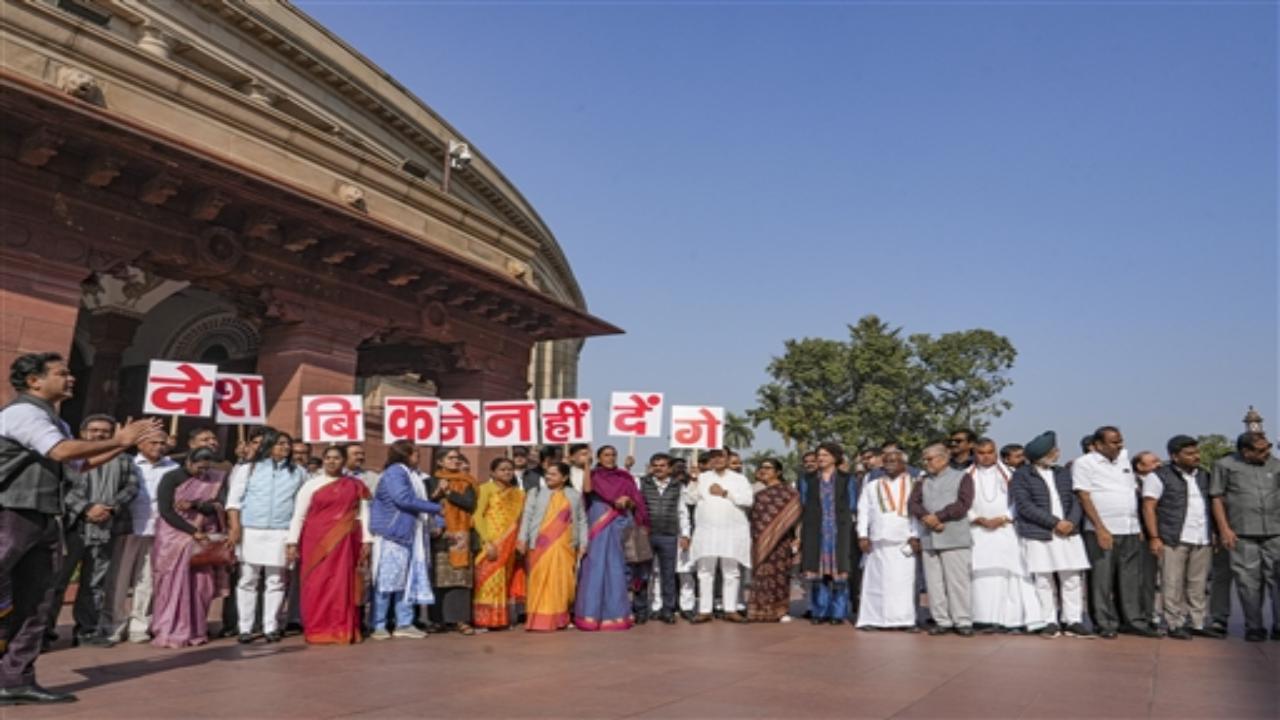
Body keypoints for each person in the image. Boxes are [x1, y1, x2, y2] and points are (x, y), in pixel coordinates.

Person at [0, 353, 160, 706]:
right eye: (61, 373)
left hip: (42, 516)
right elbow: (60, 453)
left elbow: (79, 462)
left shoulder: (55, 421)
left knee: (38, 600)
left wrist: (122, 442)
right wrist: (120, 439)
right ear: (34, 381)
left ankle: (15, 678)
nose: (70, 378)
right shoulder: (23, 413)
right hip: (10, 511)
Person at [51, 414, 139, 648]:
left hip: (105, 528)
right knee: (57, 583)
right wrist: (86, 508)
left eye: (105, 432)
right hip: (73, 528)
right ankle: (44, 633)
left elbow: (131, 486)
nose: (99, 434)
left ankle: (87, 632)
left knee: (94, 583)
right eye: (94, 430)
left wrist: (111, 508)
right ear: (83, 432)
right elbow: (61, 487)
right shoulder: (69, 458)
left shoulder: (123, 459)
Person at [1073, 426, 1157, 638]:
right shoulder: (1085, 463)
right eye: (1114, 442)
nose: (1120, 445)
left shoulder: (1124, 461)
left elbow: (1131, 493)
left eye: (1120, 441)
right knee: (1101, 579)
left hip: (1129, 529)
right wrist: (1100, 528)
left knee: (1130, 579)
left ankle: (1132, 621)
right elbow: (1084, 496)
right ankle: (1104, 622)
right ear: (1098, 445)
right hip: (1102, 530)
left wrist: (1136, 525)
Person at [226, 429, 308, 644]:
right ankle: (245, 627)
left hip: (281, 532)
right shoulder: (249, 469)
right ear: (269, 445)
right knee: (248, 579)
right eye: (280, 443)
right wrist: (235, 527)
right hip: (251, 530)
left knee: (276, 580)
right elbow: (234, 501)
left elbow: (303, 505)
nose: (285, 447)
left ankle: (271, 625)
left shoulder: (298, 472)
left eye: (287, 444)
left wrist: (293, 538)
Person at [286, 445, 372, 644]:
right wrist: (292, 542)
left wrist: (367, 539)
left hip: (345, 542)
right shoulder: (311, 485)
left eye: (336, 458)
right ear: (323, 460)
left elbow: (364, 513)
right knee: (316, 583)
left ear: (344, 461)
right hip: (315, 541)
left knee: (342, 583)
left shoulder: (355, 485)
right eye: (328, 458)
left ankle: (342, 629)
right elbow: (298, 515)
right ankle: (317, 629)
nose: (332, 462)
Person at [1010, 432, 1090, 638]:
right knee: (1044, 579)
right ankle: (1049, 620)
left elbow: (1075, 500)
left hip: (1068, 533)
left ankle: (1072, 620)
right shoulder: (1021, 475)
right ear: (1043, 454)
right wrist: (1055, 523)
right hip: (1040, 533)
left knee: (1071, 578)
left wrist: (1070, 522)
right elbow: (1024, 506)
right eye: (1054, 451)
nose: (1058, 453)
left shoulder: (1063, 472)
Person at [149, 448, 230, 648]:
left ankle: (196, 629)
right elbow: (166, 511)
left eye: (206, 468)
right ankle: (169, 629)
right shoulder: (171, 477)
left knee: (201, 585)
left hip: (203, 538)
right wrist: (192, 531)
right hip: (173, 538)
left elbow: (219, 505)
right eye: (198, 467)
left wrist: (195, 505)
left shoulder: (215, 479)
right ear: (188, 461)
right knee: (171, 583)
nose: (201, 473)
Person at [1141, 435, 1218, 640]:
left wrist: (1215, 533)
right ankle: (1175, 623)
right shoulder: (1158, 476)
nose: (1196, 457)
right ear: (1175, 456)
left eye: (1196, 452)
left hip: (1201, 537)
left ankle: (1197, 622)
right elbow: (1149, 506)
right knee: (1172, 582)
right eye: (1190, 453)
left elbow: (1211, 505)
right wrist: (1154, 537)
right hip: (1173, 536)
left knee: (1198, 583)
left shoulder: (1204, 475)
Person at [1210, 431, 1280, 642]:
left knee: (1277, 579)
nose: (1266, 453)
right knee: (1248, 581)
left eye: (1267, 447)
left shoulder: (1275, 465)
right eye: (1260, 450)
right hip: (1242, 532)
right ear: (1245, 451)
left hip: (1275, 531)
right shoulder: (1225, 465)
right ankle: (1254, 626)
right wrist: (1224, 529)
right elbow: (1217, 497)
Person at [108, 433, 177, 644]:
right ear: (140, 444)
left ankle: (140, 625)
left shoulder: (173, 467)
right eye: (153, 442)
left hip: (158, 529)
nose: (158, 447)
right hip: (128, 527)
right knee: (118, 579)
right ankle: (114, 623)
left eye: (162, 443)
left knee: (147, 580)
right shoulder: (127, 463)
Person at [966, 438, 1039, 633]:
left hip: (1005, 529)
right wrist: (977, 518)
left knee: (1010, 573)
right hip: (977, 530)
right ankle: (981, 618)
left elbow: (1020, 501)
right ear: (974, 454)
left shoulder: (1011, 474)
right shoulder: (965, 476)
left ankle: (1011, 619)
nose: (986, 456)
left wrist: (1005, 517)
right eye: (981, 453)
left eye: (990, 452)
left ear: (996, 452)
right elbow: (962, 502)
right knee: (981, 575)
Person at [368, 441, 438, 640]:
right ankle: (379, 624)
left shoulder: (412, 474)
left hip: (408, 534)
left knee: (407, 579)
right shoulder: (395, 473)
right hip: (392, 533)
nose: (419, 457)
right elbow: (403, 499)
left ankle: (404, 623)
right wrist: (435, 508)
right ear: (405, 454)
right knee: (386, 579)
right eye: (416, 453)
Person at [575, 446, 648, 630]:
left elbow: (636, 503)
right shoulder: (593, 475)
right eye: (606, 455)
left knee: (618, 568)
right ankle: (590, 615)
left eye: (614, 454)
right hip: (599, 526)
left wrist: (627, 501)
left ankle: (617, 614)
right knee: (595, 568)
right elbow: (587, 489)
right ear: (599, 457)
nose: (611, 458)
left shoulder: (624, 477)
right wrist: (586, 466)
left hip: (620, 524)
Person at [910, 443, 976, 636]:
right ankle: (942, 620)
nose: (926, 462)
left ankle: (962, 620)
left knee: (957, 582)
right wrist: (927, 519)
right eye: (925, 459)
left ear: (943, 458)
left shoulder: (962, 477)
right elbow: (913, 503)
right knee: (934, 583)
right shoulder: (922, 480)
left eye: (929, 459)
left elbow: (964, 503)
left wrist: (939, 517)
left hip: (953, 536)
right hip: (930, 536)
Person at [855, 448, 921, 630]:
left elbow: (918, 514)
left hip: (904, 541)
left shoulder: (915, 484)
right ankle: (872, 620)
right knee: (876, 583)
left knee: (903, 584)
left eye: (895, 461)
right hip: (877, 541)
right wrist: (862, 535)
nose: (890, 464)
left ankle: (904, 621)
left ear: (904, 465)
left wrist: (916, 535)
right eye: (887, 461)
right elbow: (863, 513)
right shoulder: (872, 485)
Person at [518, 462, 587, 631]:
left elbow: (581, 520)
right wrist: (522, 539)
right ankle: (538, 619)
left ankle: (560, 619)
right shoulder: (535, 493)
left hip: (565, 544)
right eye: (547, 473)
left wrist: (584, 543)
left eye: (553, 474)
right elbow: (526, 517)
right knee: (538, 580)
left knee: (563, 582)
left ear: (564, 478)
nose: (548, 477)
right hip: (540, 544)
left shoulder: (574, 495)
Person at [689, 448, 752, 624]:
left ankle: (730, 609)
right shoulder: (702, 477)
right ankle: (704, 610)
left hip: (732, 531)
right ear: (709, 461)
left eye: (720, 457)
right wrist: (693, 481)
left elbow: (747, 500)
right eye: (713, 457)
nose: (717, 460)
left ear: (727, 458)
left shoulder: (739, 479)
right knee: (704, 571)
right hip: (707, 531)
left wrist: (725, 493)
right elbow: (690, 499)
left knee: (731, 571)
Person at [798, 443, 856, 625]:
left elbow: (852, 504)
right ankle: (819, 611)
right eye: (819, 454)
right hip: (815, 529)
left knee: (839, 572)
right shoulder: (807, 479)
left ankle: (838, 613)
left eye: (825, 455)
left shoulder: (847, 479)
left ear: (835, 457)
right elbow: (803, 504)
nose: (820, 458)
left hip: (840, 529)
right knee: (817, 573)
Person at [425, 447, 478, 635]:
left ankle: (460, 620)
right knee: (439, 579)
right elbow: (426, 504)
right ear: (440, 461)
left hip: (461, 536)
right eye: (451, 458)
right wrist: (437, 493)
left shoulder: (468, 481)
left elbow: (469, 504)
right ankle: (438, 620)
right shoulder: (430, 481)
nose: (455, 461)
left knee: (460, 579)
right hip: (439, 535)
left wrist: (449, 493)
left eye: (457, 458)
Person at [472, 458, 526, 630]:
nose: (507, 472)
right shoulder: (485, 489)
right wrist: (486, 541)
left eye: (510, 469)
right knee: (489, 580)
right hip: (491, 541)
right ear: (492, 473)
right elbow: (478, 516)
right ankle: (484, 620)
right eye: (502, 470)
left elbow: (521, 519)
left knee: (504, 580)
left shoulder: (518, 494)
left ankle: (500, 620)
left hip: (510, 544)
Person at [748, 458, 800, 622]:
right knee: (761, 575)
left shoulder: (788, 492)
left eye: (768, 468)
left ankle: (780, 611)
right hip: (759, 540)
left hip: (781, 541)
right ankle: (760, 610)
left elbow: (796, 516)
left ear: (778, 472)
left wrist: (798, 537)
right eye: (762, 467)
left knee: (779, 575)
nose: (764, 470)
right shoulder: (756, 491)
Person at [636, 453, 686, 624]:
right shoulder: (641, 483)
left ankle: (668, 610)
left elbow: (682, 511)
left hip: (669, 535)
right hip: (645, 535)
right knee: (643, 575)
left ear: (670, 468)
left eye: (662, 465)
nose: (658, 468)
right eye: (655, 465)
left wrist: (685, 534)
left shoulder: (678, 486)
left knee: (668, 575)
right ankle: (641, 610)